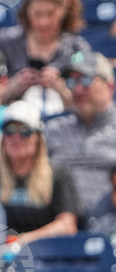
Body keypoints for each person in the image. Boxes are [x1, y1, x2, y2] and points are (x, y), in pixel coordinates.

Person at [0, 100, 80, 245]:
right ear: (3, 137)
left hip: (42, 256)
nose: (16, 138)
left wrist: (23, 241)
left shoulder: (57, 175)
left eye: (25, 131)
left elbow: (67, 226)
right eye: (10, 130)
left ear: (38, 138)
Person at [0, 0, 89, 114]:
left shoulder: (77, 48)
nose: (44, 22)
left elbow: (88, 109)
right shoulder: (5, 42)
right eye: (37, 14)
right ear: (26, 10)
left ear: (65, 7)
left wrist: (61, 89)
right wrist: (13, 86)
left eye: (50, 13)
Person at [44, 51, 116, 215]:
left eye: (85, 80)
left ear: (110, 86)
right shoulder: (54, 129)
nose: (77, 89)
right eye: (71, 81)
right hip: (59, 224)